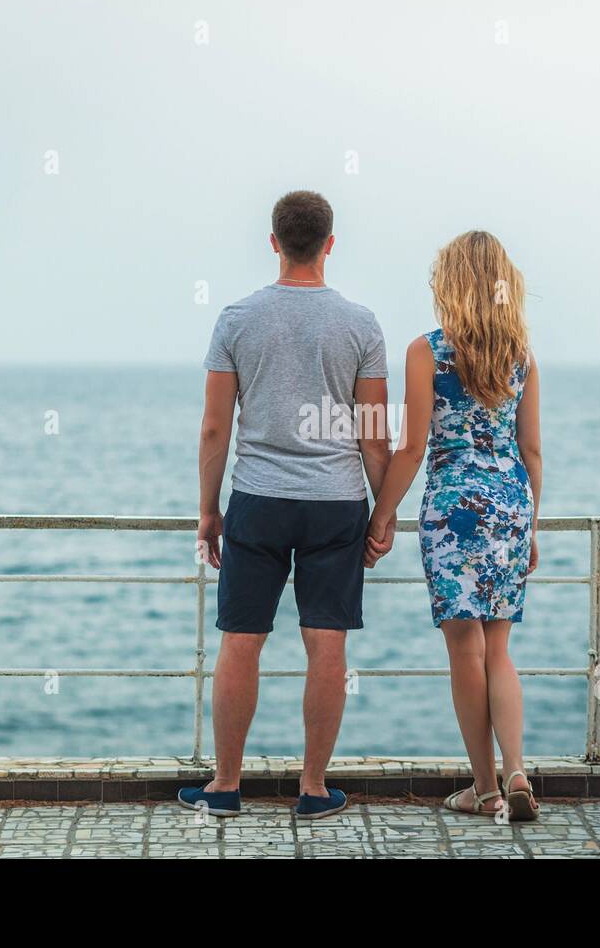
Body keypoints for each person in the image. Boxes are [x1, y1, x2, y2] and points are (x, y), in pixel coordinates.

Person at [180, 190, 389, 819]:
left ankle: (224, 787)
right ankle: (315, 789)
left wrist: (208, 509)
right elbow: (374, 435)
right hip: (336, 503)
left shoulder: (237, 319)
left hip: (259, 498)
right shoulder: (361, 324)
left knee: (241, 641)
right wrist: (382, 515)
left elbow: (215, 430)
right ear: (330, 244)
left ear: (274, 242)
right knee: (327, 645)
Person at [364, 230, 542, 821]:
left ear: (450, 283)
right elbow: (532, 450)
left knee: (464, 647)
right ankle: (518, 771)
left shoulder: (428, 351)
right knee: (500, 648)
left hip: (454, 510)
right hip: (511, 504)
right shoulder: (520, 355)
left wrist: (381, 516)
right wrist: (531, 526)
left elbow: (412, 447)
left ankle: (485, 789)